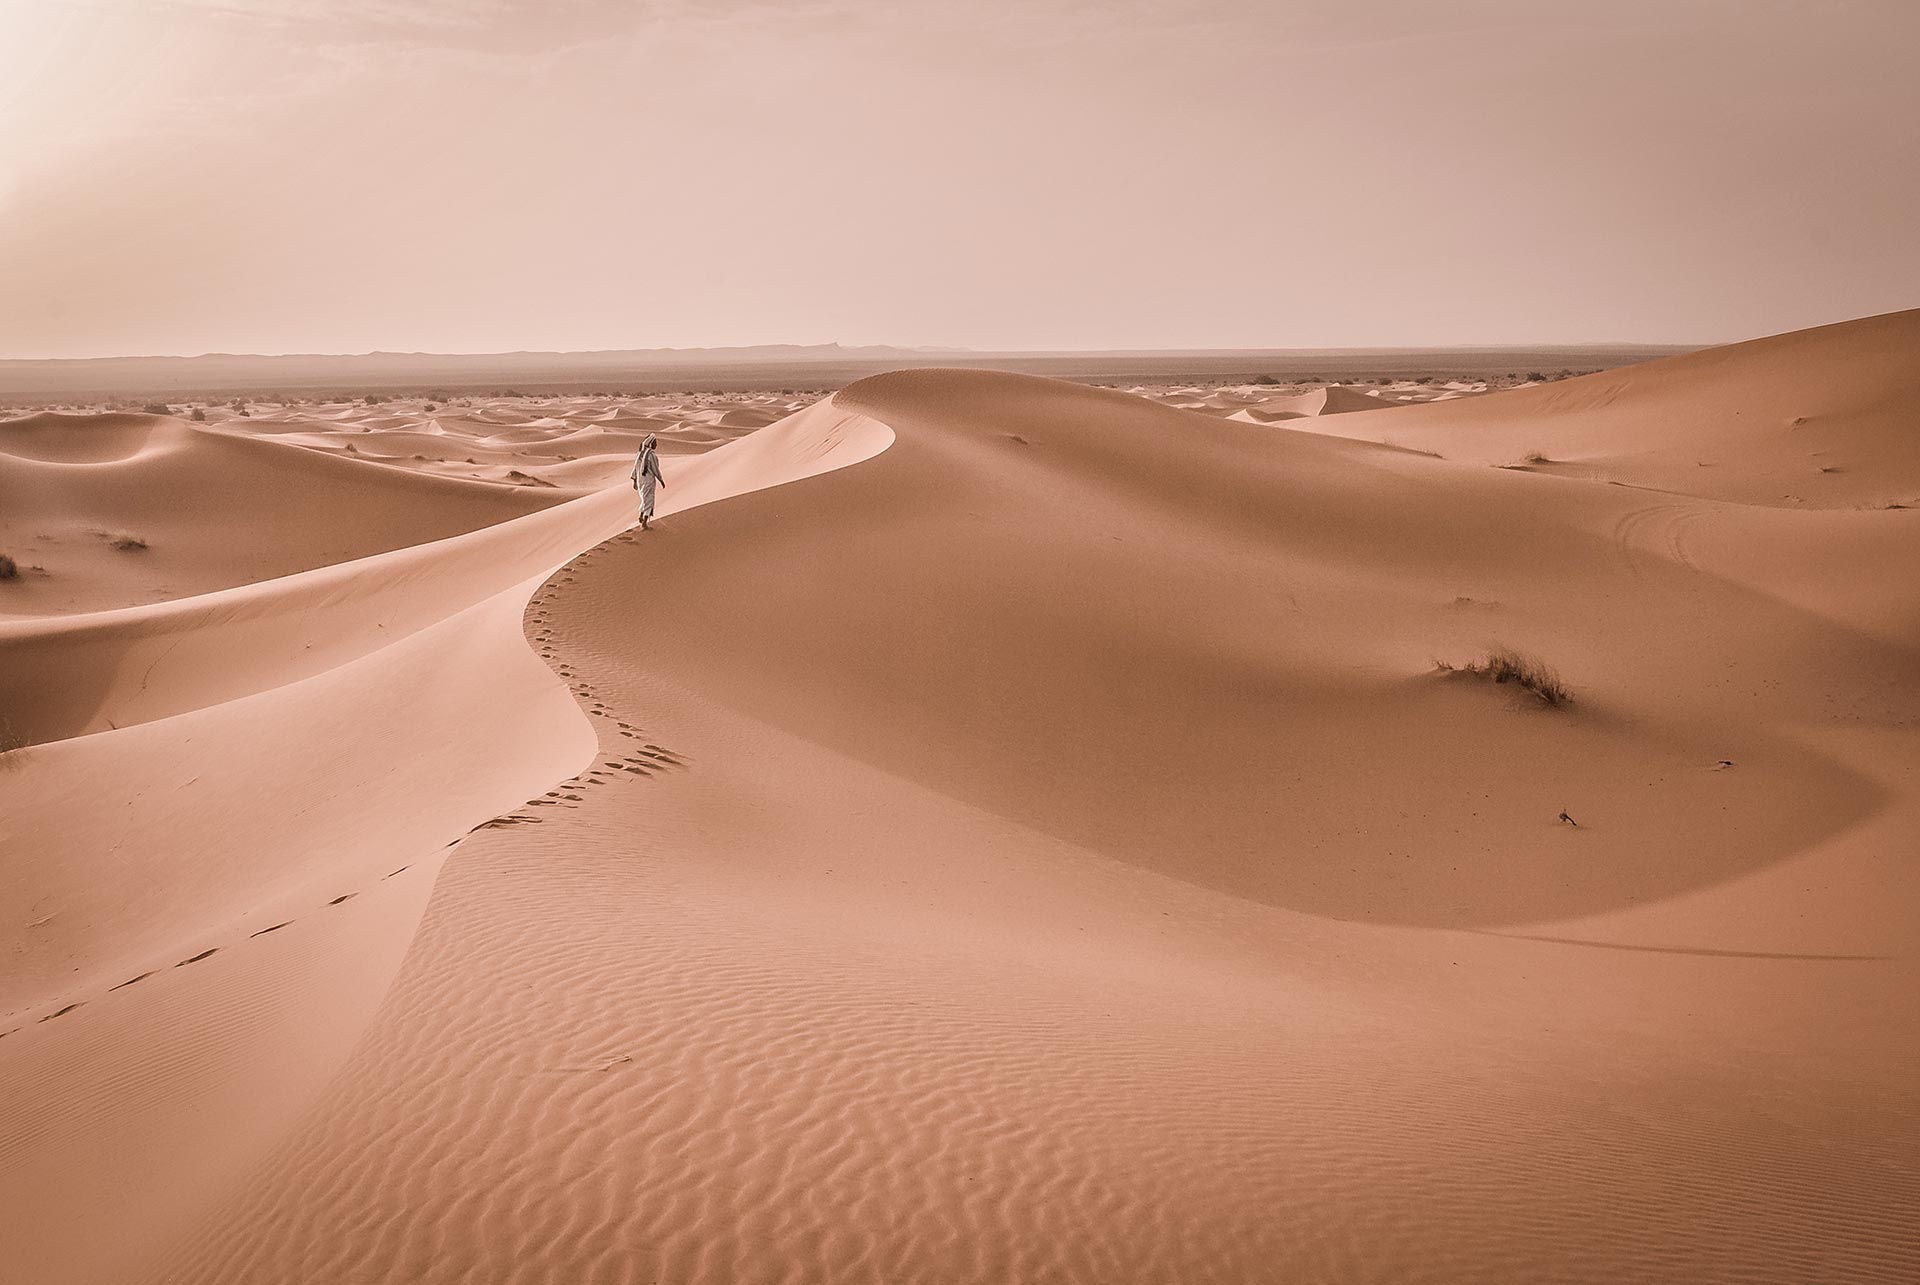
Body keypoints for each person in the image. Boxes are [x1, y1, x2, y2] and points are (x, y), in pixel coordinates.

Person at [631, 433, 664, 529]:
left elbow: (635, 468)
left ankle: (641, 517)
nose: (656, 445)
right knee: (649, 500)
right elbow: (655, 469)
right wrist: (661, 479)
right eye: (655, 442)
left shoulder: (639, 454)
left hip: (640, 481)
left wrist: (634, 480)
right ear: (650, 443)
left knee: (644, 499)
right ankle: (644, 522)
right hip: (648, 481)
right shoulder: (651, 456)